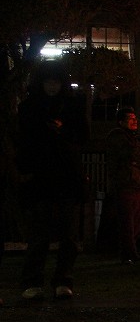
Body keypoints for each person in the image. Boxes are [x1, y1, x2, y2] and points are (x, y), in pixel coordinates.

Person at [16, 61, 89, 299]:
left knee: (68, 234)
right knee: (40, 234)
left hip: (65, 176)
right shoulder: (30, 108)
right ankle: (33, 281)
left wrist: (64, 131)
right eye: (48, 82)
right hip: (42, 178)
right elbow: (22, 142)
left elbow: (83, 137)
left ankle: (62, 279)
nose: (51, 86)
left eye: (55, 82)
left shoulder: (71, 107)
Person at [106, 107, 140, 265]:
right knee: (127, 222)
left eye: (135, 118)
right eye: (130, 119)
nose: (135, 121)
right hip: (125, 184)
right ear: (121, 122)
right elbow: (127, 157)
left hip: (138, 184)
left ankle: (132, 252)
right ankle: (128, 254)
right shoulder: (117, 137)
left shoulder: (135, 140)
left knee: (137, 221)